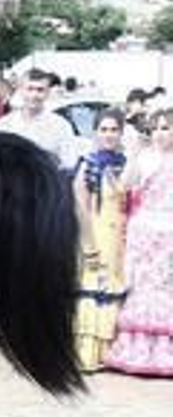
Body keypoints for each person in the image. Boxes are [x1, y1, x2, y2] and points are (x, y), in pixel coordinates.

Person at [104, 108, 173, 377]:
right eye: (155, 128)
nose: (159, 134)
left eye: (166, 128)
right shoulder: (144, 158)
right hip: (143, 231)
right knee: (141, 288)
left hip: (169, 232)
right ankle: (136, 350)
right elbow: (124, 187)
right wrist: (132, 156)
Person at [73, 109, 130, 373]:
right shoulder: (88, 164)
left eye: (114, 130)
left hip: (121, 235)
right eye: (104, 129)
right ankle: (89, 354)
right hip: (96, 232)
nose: (108, 135)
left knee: (116, 286)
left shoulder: (127, 162)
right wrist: (89, 247)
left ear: (121, 132)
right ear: (95, 132)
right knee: (95, 285)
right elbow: (80, 207)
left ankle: (113, 352)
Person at [0, 70, 77, 169]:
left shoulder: (61, 127)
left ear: (47, 93)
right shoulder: (3, 126)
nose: (34, 95)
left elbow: (69, 165)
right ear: (20, 90)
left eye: (40, 90)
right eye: (30, 89)